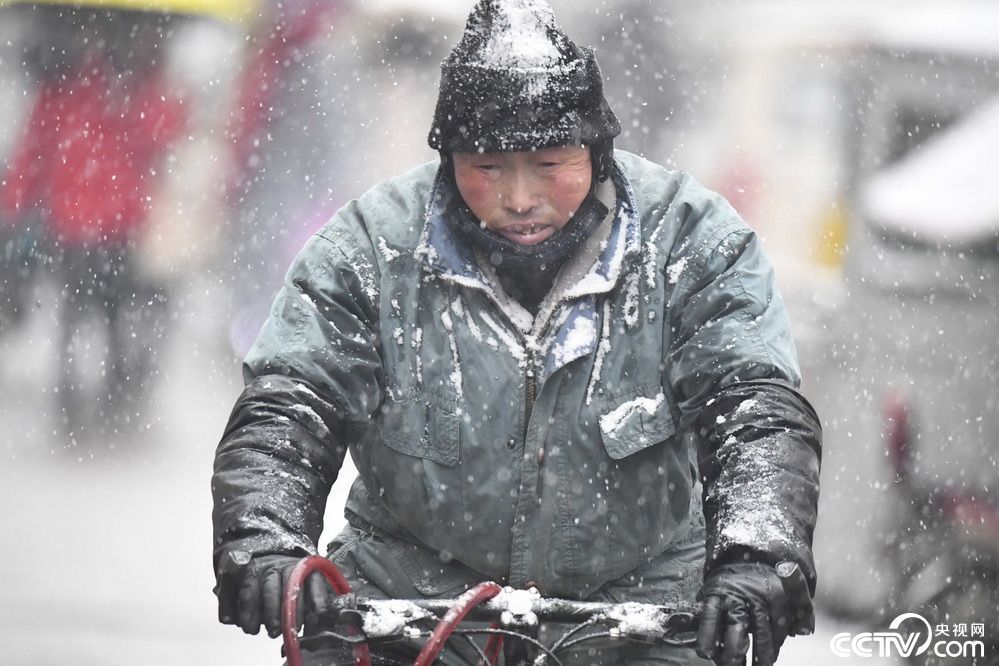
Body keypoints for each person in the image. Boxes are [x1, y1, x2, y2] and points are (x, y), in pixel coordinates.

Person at [211, 1, 822, 664]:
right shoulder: (367, 250)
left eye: (549, 164)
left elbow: (754, 412)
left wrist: (755, 558)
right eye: (488, 168)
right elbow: (291, 406)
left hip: (639, 621)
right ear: (447, 162)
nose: (521, 198)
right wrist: (266, 539)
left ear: (597, 151)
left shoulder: (696, 245)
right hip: (406, 620)